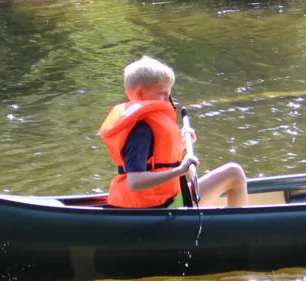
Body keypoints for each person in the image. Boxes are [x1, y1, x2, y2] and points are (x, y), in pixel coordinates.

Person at [98, 56, 248, 208]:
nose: (166, 100)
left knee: (234, 174)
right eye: (162, 94)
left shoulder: (145, 126)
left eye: (168, 95)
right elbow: (135, 182)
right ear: (141, 94)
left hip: (168, 200)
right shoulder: (141, 130)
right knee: (234, 174)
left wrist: (181, 144)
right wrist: (180, 170)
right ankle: (238, 229)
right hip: (160, 208)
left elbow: (155, 161)